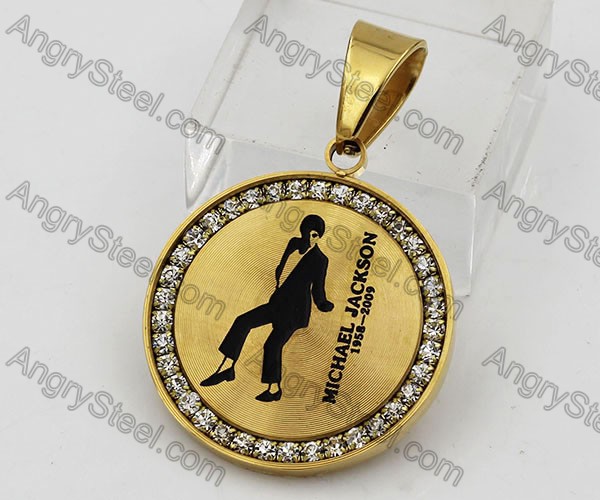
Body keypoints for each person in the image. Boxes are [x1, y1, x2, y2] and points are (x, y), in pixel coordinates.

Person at [200, 214, 334, 402]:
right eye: (310, 233)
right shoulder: (293, 244)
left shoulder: (320, 259)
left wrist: (323, 304)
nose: (313, 238)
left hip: (294, 312)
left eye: (316, 235)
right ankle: (227, 368)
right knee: (242, 321)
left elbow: (317, 287)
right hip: (277, 304)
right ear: (303, 231)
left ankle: (274, 389)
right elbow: (283, 268)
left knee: (272, 345)